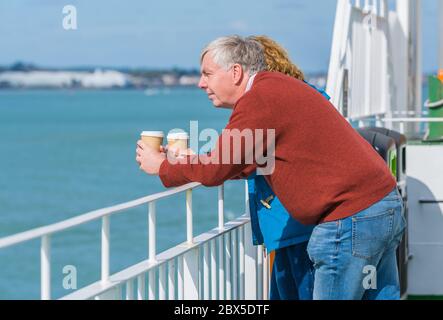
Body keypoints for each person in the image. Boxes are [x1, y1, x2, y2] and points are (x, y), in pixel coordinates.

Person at [136, 35, 406, 300]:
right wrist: (190, 162)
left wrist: (162, 167)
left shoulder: (259, 98)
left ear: (236, 72)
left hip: (350, 218)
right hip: (381, 205)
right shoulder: (277, 87)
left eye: (207, 74)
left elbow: (216, 170)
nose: (200, 83)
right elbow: (244, 158)